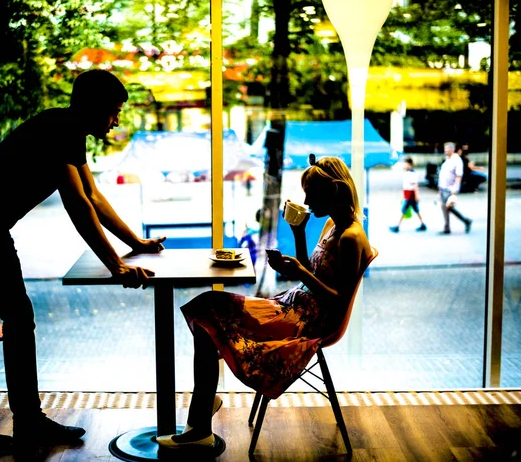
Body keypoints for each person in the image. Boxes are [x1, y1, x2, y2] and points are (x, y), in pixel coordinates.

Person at [0, 69, 166, 459]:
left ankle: (19, 420)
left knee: (7, 320)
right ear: (91, 106)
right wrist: (116, 266)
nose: (117, 120)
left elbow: (92, 194)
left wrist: (135, 243)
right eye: (113, 111)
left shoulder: (68, 128)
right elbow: (77, 205)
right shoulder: (60, 128)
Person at [156, 156, 373, 449]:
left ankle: (200, 423)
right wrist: (298, 236)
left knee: (210, 313)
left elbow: (336, 304)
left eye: (311, 193)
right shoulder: (333, 227)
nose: (306, 201)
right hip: (293, 306)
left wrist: (298, 272)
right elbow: (311, 270)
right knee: (206, 306)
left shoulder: (351, 238)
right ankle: (203, 408)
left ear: (333, 191)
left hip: (307, 323)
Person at [438, 141, 472, 234]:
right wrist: (440, 189)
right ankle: (449, 226)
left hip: (450, 188)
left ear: (452, 149)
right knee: (446, 207)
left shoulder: (456, 160)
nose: (445, 151)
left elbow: (458, 175)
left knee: (447, 207)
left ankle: (462, 222)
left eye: (447, 149)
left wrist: (455, 188)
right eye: (445, 149)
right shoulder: (447, 159)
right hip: (443, 188)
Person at [389, 157, 427, 233]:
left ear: (410, 164)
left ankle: (397, 226)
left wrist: (416, 196)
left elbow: (415, 185)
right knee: (416, 210)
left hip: (410, 195)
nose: (404, 165)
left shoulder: (412, 173)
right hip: (408, 194)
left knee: (403, 210)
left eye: (406, 164)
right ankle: (423, 224)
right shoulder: (407, 173)